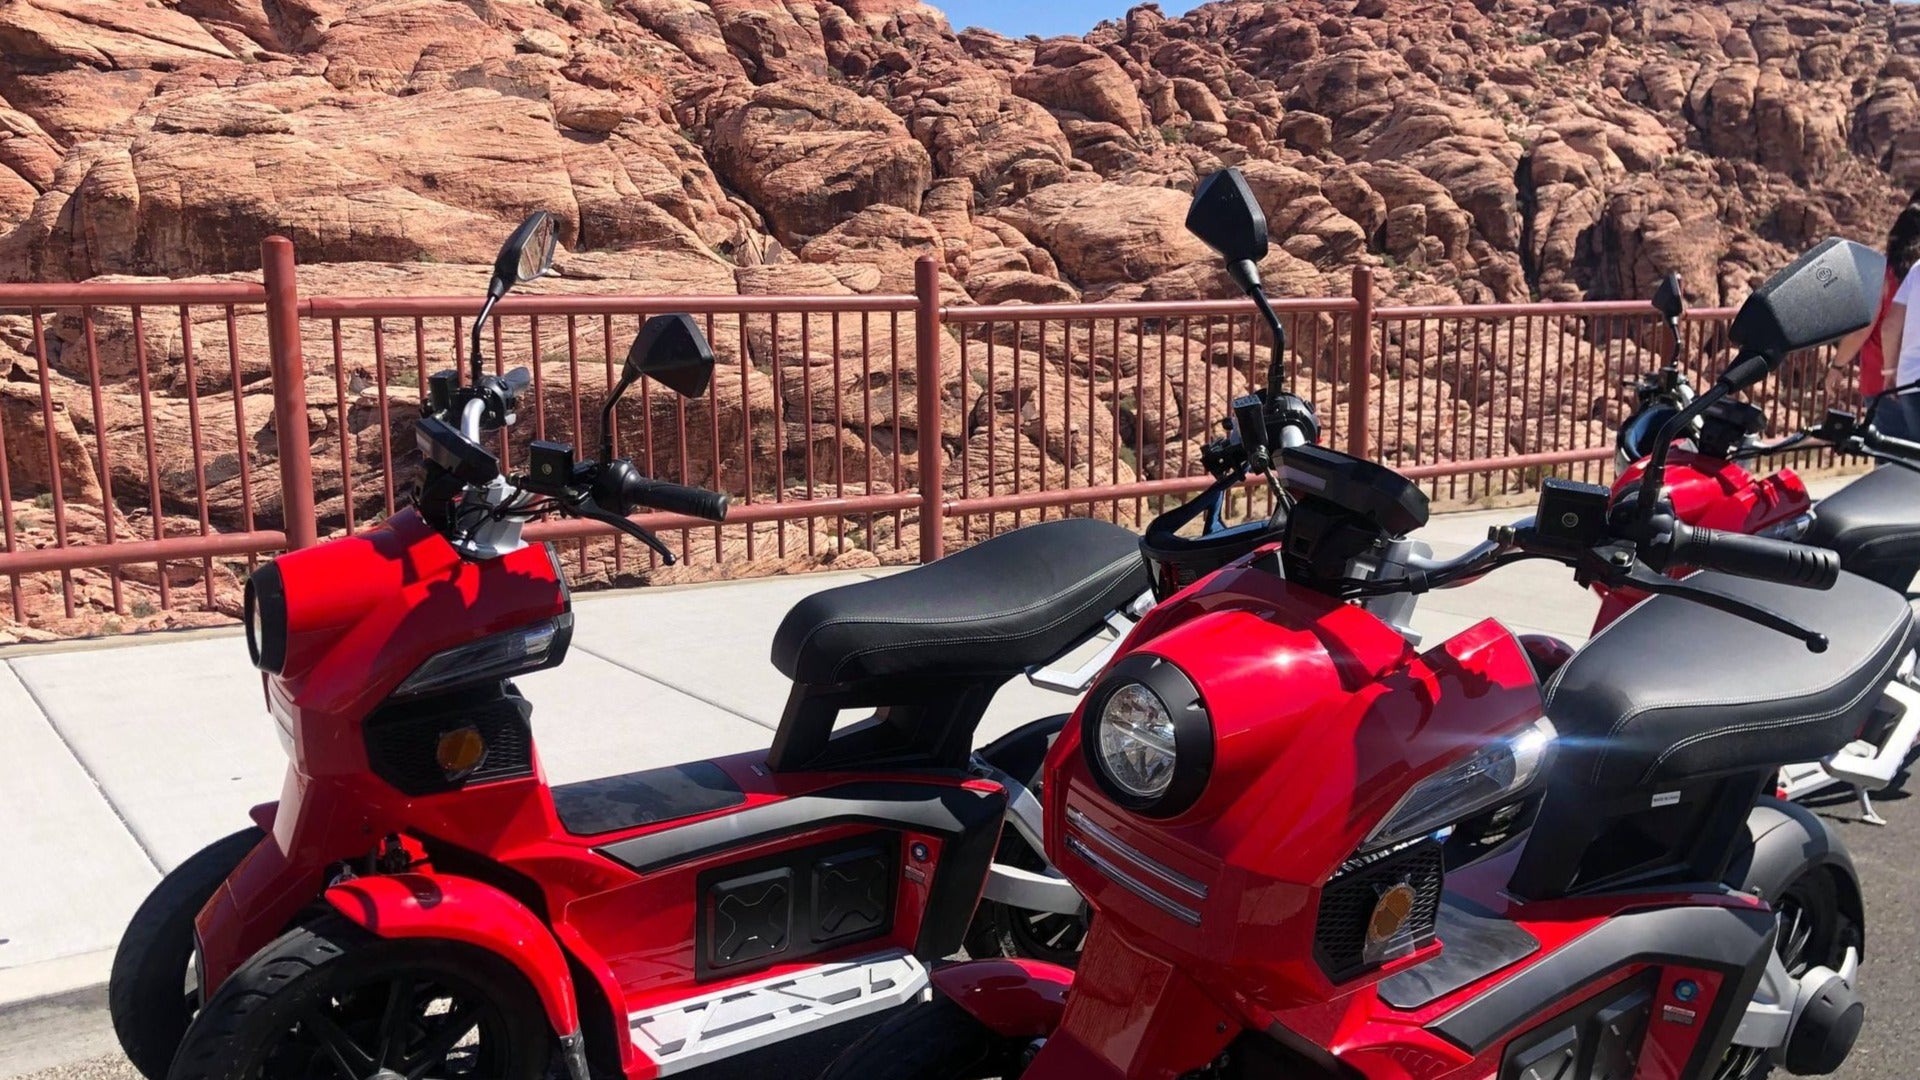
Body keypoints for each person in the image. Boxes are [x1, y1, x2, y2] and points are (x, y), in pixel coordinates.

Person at [1836, 199, 1920, 440]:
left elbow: (1867, 328)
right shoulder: (1910, 273)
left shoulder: (1886, 275)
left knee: (1890, 456)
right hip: (1901, 376)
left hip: (1888, 377)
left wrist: (1838, 366)